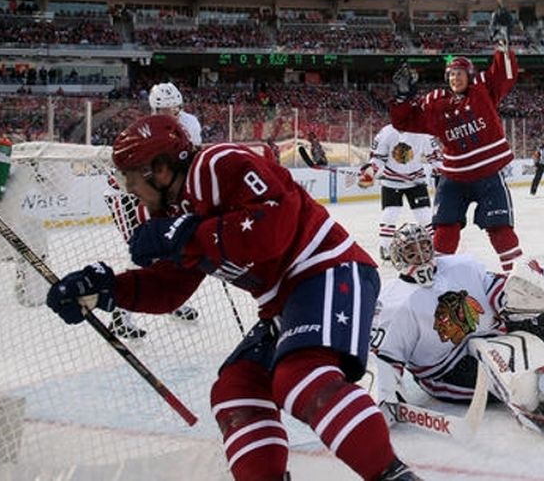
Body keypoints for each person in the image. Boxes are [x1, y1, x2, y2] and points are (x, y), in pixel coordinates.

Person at [45, 115, 421, 481]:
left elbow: (274, 227)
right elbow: (171, 287)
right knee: (235, 390)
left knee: (299, 378)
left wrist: (186, 234)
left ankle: (392, 476)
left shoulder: (218, 164)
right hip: (282, 302)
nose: (128, 189)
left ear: (159, 170)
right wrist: (107, 289)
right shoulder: (168, 212)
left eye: (131, 177)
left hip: (328, 267)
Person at [371, 223, 544, 433]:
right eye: (412, 253)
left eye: (424, 247)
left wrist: (512, 299)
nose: (422, 256)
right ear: (399, 258)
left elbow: (493, 287)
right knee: (504, 375)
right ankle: (537, 403)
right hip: (446, 369)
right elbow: (389, 357)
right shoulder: (394, 303)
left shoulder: (459, 266)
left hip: (492, 335)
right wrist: (388, 397)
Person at [389, 40, 523, 272]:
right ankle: (440, 279)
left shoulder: (484, 90)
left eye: (460, 73)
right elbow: (404, 121)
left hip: (488, 176)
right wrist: (402, 98)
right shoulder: (436, 104)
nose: (455, 78)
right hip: (453, 179)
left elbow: (506, 74)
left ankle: (516, 279)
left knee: (500, 229)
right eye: (451, 74)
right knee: (445, 230)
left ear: (469, 75)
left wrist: (503, 43)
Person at [108, 81, 203, 336]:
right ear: (154, 109)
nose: (170, 113)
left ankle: (172, 301)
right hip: (128, 197)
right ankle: (119, 315)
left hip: (158, 197)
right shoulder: (143, 131)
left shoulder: (189, 123)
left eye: (174, 108)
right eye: (163, 109)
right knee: (143, 252)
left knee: (172, 249)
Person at [359, 124, 442, 262]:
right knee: (390, 214)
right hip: (391, 182)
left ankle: (434, 246)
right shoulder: (386, 132)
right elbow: (378, 157)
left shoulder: (423, 131)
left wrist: (442, 170)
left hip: (416, 181)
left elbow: (434, 157)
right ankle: (385, 248)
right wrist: (370, 171)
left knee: (425, 216)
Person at [149, 82, 202, 147]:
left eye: (176, 106)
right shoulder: (149, 127)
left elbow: (195, 148)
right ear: (157, 110)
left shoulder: (190, 122)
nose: (174, 111)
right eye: (167, 109)